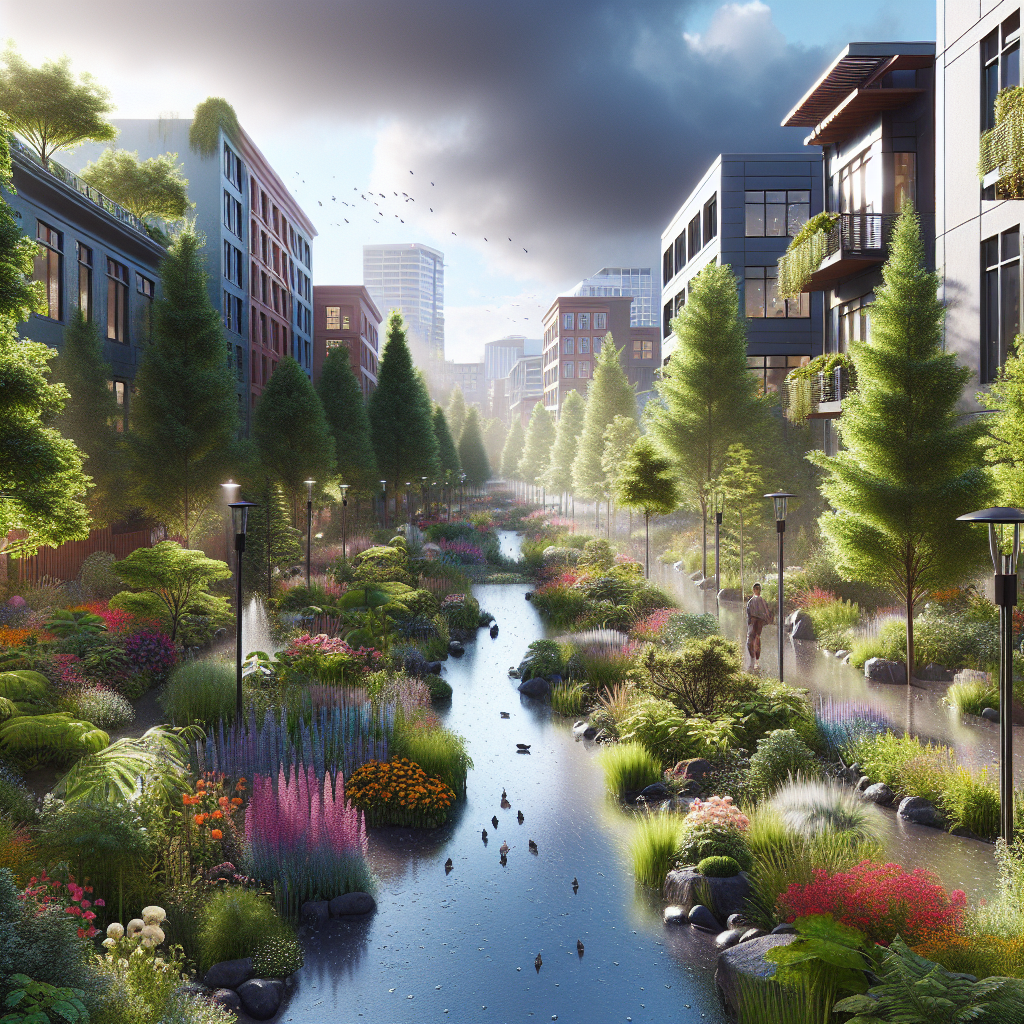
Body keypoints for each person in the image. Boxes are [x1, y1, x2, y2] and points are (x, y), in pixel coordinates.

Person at [746, 582, 772, 668]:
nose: (757, 591)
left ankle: (756, 659)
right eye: (756, 589)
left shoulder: (761, 601)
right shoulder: (752, 601)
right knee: (752, 640)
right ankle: (753, 658)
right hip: (754, 621)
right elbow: (749, 613)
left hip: (758, 622)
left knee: (756, 639)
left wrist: (766, 620)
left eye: (758, 589)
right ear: (753, 590)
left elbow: (766, 612)